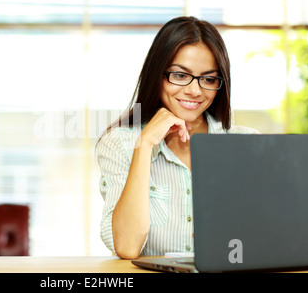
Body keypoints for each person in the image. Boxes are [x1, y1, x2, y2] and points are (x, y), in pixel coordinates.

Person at [95, 16, 259, 260]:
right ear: (157, 74)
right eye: (180, 75)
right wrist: (144, 144)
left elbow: (261, 241)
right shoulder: (120, 144)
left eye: (209, 79)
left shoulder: (247, 145)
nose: (195, 90)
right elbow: (127, 247)